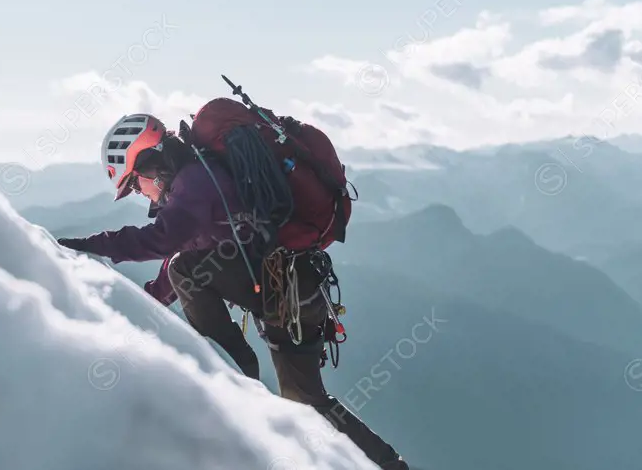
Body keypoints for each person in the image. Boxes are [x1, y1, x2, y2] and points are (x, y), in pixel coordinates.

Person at [56, 113, 410, 470]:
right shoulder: (198, 181)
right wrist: (138, 305)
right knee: (307, 402)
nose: (140, 192)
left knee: (304, 401)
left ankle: (234, 374)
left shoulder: (194, 183)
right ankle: (389, 463)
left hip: (287, 293)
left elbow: (164, 244)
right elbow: (177, 268)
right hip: (296, 290)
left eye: (135, 184)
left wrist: (89, 246)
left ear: (150, 163)